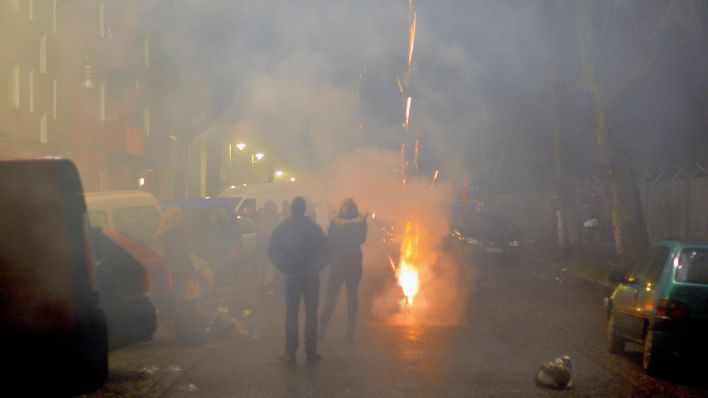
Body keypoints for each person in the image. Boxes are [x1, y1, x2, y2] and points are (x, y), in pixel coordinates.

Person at [268, 196, 329, 363]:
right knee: (311, 315)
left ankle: (291, 351)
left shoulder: (284, 228)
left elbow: (272, 248)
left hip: (293, 277)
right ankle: (310, 352)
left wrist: (283, 267)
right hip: (310, 278)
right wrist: (317, 267)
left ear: (291, 209)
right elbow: (326, 250)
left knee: (292, 315)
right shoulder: (313, 228)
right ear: (304, 209)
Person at [319, 198, 368, 344]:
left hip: (338, 264)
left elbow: (329, 240)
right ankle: (350, 333)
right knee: (352, 298)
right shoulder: (360, 222)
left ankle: (322, 330)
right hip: (354, 263)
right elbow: (362, 240)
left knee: (331, 298)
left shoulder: (336, 223)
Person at [255, 200, 279, 293]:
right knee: (270, 267)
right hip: (268, 247)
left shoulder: (261, 218)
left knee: (262, 267)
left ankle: (260, 286)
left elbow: (259, 232)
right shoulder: (271, 220)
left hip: (261, 247)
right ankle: (268, 287)